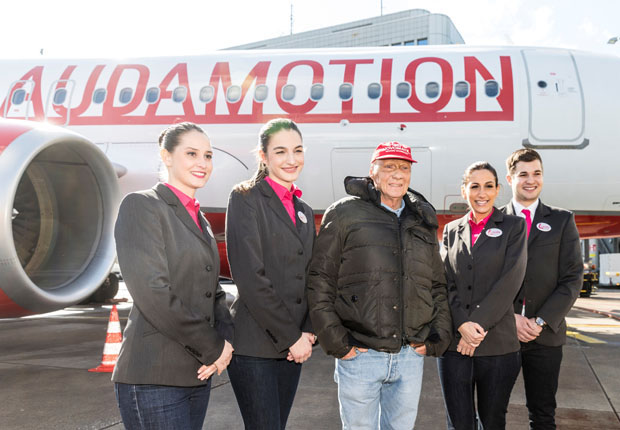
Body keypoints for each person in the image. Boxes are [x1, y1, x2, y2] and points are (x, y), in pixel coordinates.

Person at [307, 141, 452, 430]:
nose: (397, 174)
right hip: (361, 354)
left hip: (410, 355)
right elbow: (320, 280)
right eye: (389, 167)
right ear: (372, 171)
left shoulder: (421, 219)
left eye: (404, 168)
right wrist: (337, 342)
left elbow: (437, 284)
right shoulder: (345, 213)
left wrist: (439, 336)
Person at [112, 122, 234, 429]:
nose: (202, 163)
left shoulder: (199, 218)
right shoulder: (142, 205)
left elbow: (214, 290)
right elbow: (154, 293)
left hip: (197, 373)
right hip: (155, 376)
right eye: (191, 153)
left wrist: (226, 341)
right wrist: (213, 347)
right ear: (166, 156)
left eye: (208, 156)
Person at [225, 118, 316, 430]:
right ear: (263, 156)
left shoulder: (303, 208)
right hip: (255, 345)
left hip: (295, 344)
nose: (291, 160)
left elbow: (311, 276)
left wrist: (308, 330)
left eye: (298, 150)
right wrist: (292, 336)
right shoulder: (246, 198)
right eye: (280, 151)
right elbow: (251, 277)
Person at [439, 161, 527, 430]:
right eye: (474, 186)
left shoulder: (514, 226)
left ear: (498, 189)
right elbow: (445, 283)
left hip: (498, 345)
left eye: (489, 186)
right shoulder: (452, 230)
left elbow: (510, 282)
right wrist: (462, 325)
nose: (481, 193)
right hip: (455, 346)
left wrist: (475, 327)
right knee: (459, 423)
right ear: (463, 190)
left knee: (492, 422)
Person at [501, 149, 583, 430]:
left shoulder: (562, 220)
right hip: (501, 334)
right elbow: (483, 281)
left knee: (543, 414)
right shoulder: (494, 221)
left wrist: (539, 321)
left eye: (536, 173)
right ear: (510, 178)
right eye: (523, 174)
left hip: (545, 334)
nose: (530, 180)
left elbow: (572, 279)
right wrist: (510, 318)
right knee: (490, 411)